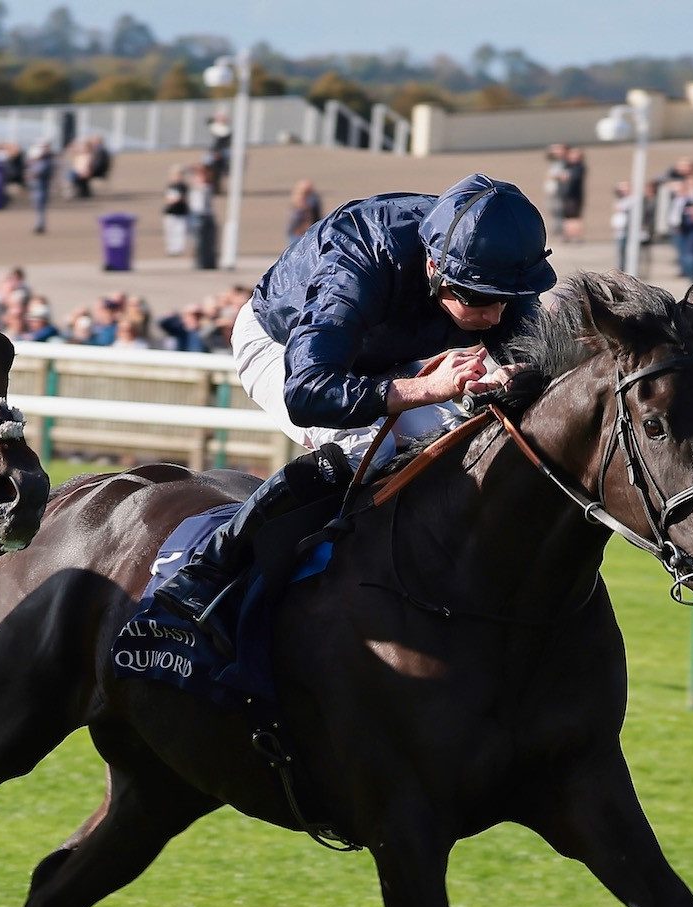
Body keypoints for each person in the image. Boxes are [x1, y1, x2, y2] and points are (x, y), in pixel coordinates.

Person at [151, 173, 556, 628]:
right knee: (368, 449)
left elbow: (531, 363)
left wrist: (512, 374)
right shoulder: (360, 255)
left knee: (461, 444)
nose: (495, 316)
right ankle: (207, 570)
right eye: (480, 298)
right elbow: (309, 392)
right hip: (286, 349)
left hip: (386, 352)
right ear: (434, 268)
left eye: (508, 299)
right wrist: (430, 388)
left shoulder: (493, 260)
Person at [161, 165, 190, 256]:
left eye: (179, 174)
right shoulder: (170, 185)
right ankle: (171, 249)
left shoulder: (183, 186)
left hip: (181, 212)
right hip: (170, 212)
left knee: (180, 231)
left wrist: (178, 199)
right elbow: (167, 198)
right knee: (170, 232)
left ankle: (178, 249)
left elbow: (184, 198)